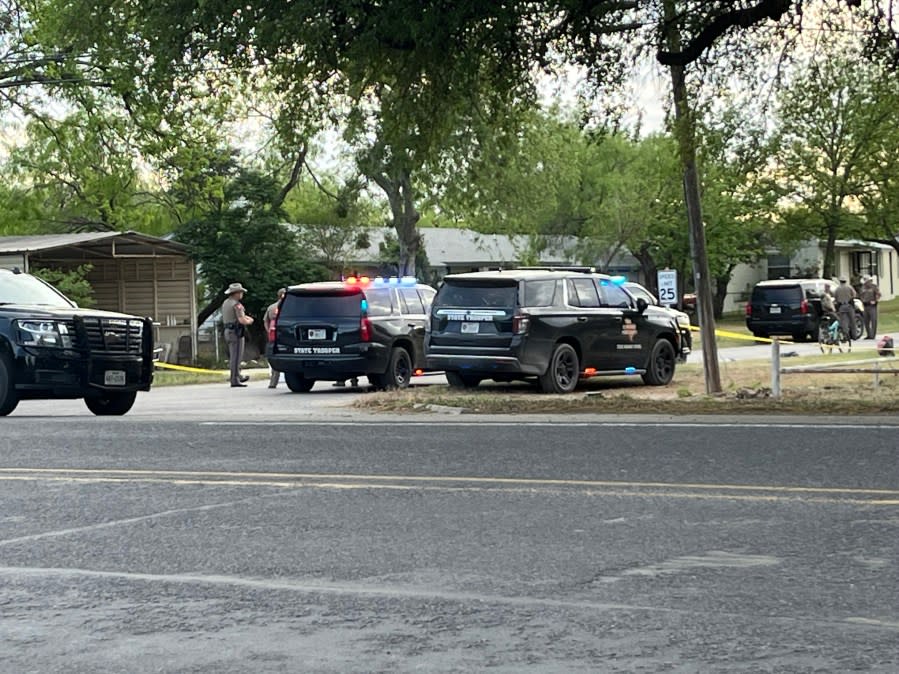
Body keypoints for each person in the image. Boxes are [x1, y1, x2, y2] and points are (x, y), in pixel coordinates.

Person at [222, 282, 254, 387]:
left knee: (233, 356)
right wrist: (250, 320)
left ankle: (237, 376)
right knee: (236, 357)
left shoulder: (225, 303)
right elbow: (241, 320)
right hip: (236, 332)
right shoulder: (237, 305)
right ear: (236, 293)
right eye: (241, 292)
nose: (242, 294)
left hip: (227, 331)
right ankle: (235, 379)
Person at [264, 287, 286, 388]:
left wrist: (268, 330)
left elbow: (265, 320)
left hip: (274, 335)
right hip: (286, 335)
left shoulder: (271, 307)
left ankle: (273, 382)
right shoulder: (287, 307)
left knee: (275, 358)